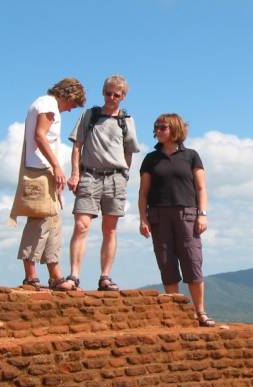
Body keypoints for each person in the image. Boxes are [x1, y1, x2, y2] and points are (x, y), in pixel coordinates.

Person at [63, 75, 141, 291]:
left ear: (123, 96)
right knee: (81, 225)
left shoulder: (127, 121)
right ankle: (74, 276)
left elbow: (129, 151)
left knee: (110, 229)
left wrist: (123, 175)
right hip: (89, 175)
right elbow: (77, 146)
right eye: (108, 93)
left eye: (117, 95)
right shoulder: (90, 115)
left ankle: (105, 276)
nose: (112, 98)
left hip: (116, 178)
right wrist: (75, 174)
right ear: (103, 92)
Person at [138, 113, 215, 327]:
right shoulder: (150, 158)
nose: (158, 130)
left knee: (192, 262)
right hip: (158, 216)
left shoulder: (191, 156)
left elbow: (201, 188)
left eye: (163, 127)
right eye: (157, 127)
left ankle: (200, 313)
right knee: (167, 264)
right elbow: (143, 193)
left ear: (174, 129)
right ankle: (176, 315)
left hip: (187, 214)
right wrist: (143, 219)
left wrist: (202, 214)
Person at [17, 78, 86, 291]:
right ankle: (30, 275)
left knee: (53, 221)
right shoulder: (47, 105)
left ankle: (55, 275)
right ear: (67, 95)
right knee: (39, 220)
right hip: (39, 170)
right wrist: (56, 166)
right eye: (73, 104)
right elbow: (40, 136)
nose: (71, 109)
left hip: (43, 170)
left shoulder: (45, 104)